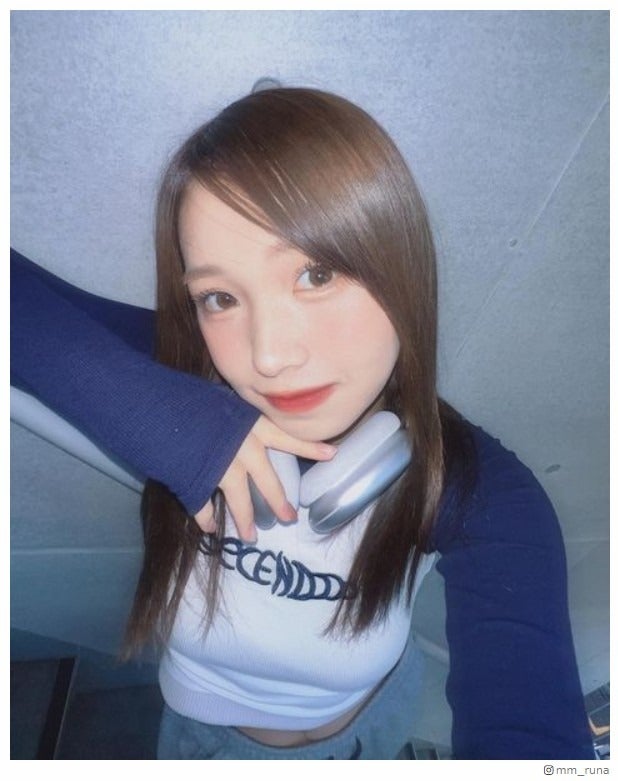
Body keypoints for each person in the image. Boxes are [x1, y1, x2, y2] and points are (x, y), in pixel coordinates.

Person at [10, 87, 595, 760]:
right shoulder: (182, 376)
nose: (268, 356)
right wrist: (169, 420)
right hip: (210, 744)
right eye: (219, 297)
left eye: (316, 274)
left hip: (375, 720)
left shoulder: (479, 491)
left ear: (402, 268)